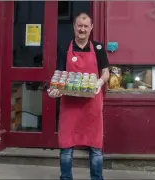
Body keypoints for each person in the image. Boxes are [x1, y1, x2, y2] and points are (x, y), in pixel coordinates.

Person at [48, 12, 110, 180]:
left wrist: (100, 82)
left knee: (96, 146)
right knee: (66, 145)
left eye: (85, 26)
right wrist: (54, 89)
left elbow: (105, 72)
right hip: (70, 104)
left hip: (92, 104)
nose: (82, 29)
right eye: (79, 26)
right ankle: (65, 177)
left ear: (91, 28)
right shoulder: (64, 48)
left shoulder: (98, 48)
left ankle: (97, 178)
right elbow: (59, 74)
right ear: (74, 27)